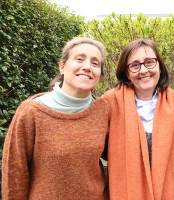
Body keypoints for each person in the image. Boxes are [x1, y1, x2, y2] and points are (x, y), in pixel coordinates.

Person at [2, 37, 109, 199]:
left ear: (100, 75)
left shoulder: (103, 110)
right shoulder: (31, 112)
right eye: (79, 59)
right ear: (62, 66)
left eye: (95, 63)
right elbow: (14, 172)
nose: (87, 67)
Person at [102, 39, 174, 199]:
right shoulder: (110, 101)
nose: (144, 70)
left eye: (149, 62)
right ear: (127, 72)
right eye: (135, 65)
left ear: (159, 65)